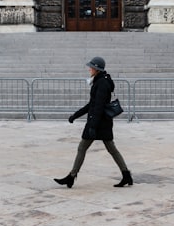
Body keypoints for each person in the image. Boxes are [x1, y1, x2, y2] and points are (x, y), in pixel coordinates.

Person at [54, 56, 132, 188]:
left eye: (91, 67)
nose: (89, 69)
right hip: (102, 122)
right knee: (111, 149)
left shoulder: (101, 83)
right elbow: (92, 104)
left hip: (98, 122)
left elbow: (98, 106)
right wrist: (76, 115)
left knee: (83, 148)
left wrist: (93, 126)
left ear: (97, 69)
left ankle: (71, 177)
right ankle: (126, 175)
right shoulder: (100, 80)